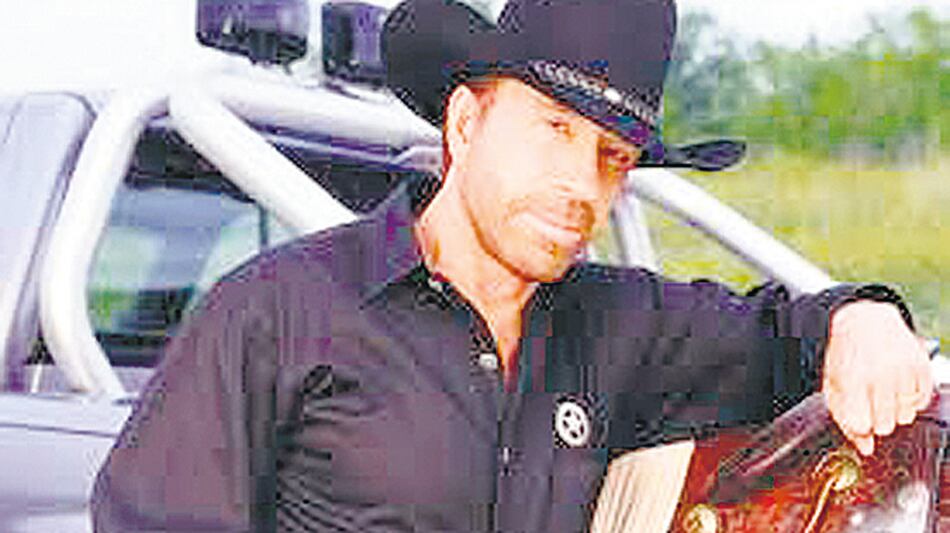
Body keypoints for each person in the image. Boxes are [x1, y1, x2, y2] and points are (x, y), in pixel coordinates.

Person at [91, 0, 934, 531]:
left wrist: (863, 317)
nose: (582, 184)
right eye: (554, 130)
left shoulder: (619, 326)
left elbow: (783, 333)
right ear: (465, 125)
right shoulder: (276, 311)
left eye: (611, 157)